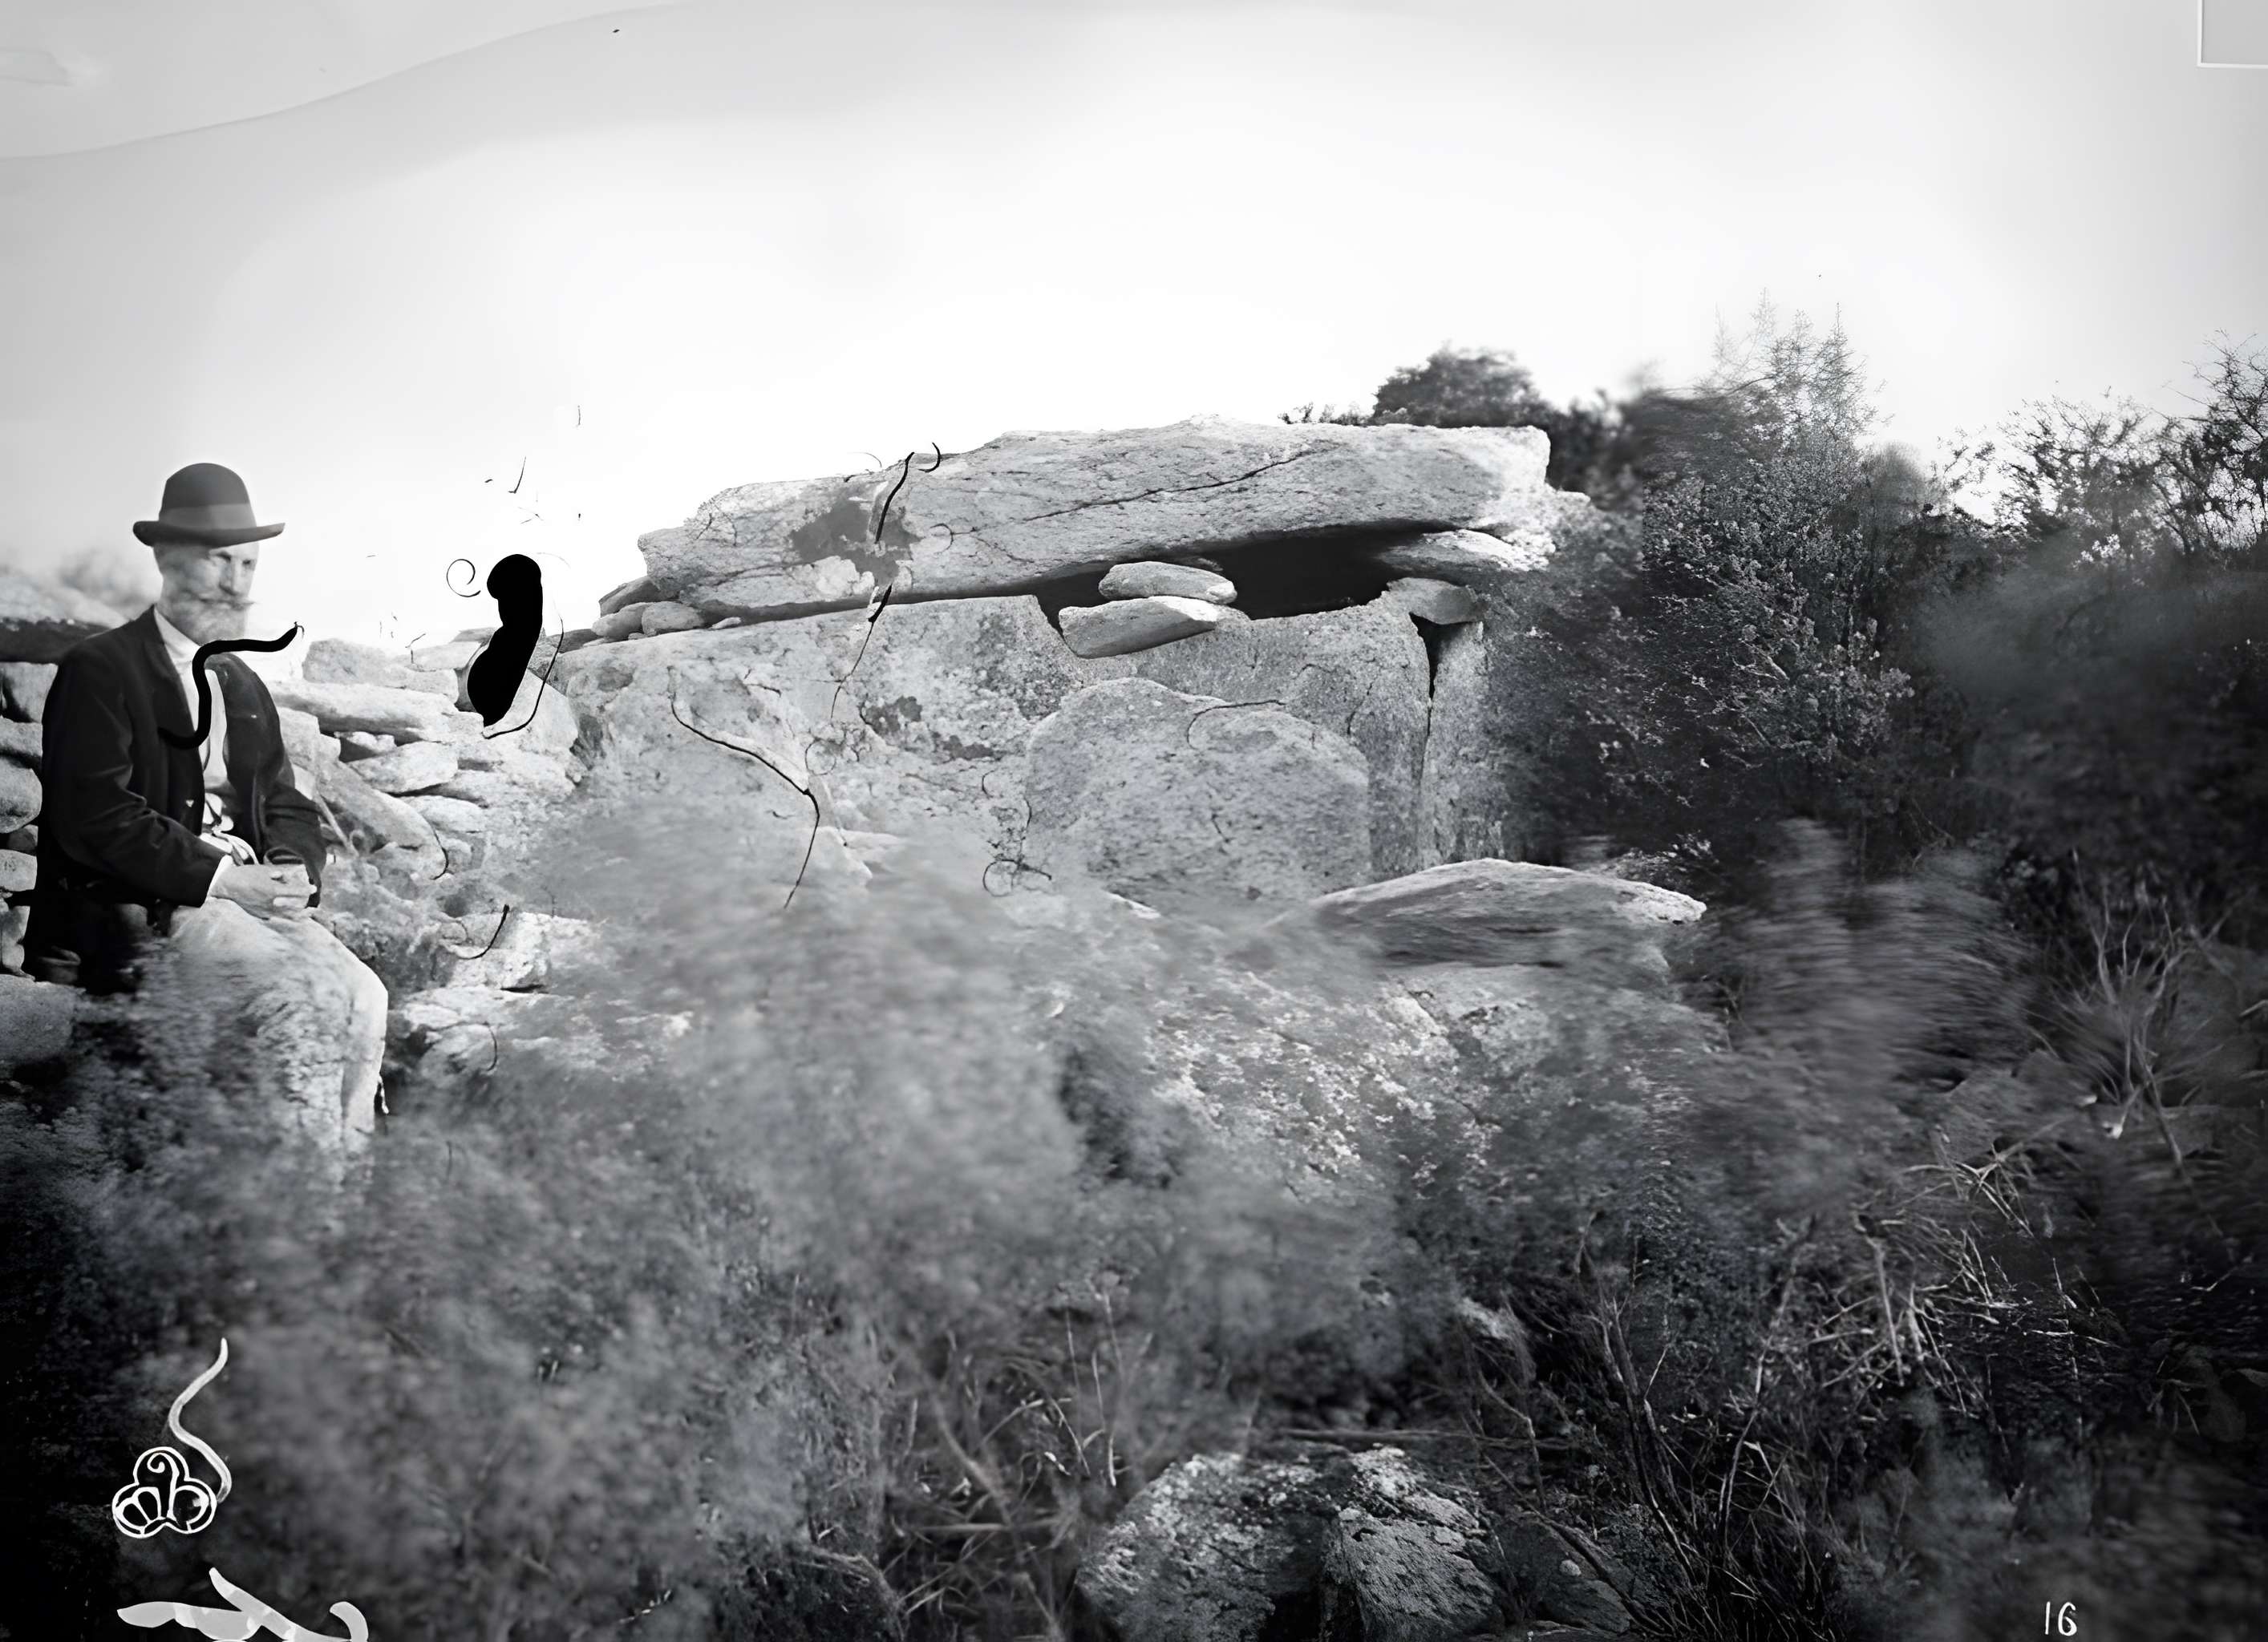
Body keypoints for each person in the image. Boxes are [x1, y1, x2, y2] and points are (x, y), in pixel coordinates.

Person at [24, 462, 387, 1159]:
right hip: (146, 909)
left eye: (248, 563)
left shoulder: (243, 680)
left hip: (245, 901)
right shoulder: (102, 668)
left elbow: (284, 802)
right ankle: (294, 1211)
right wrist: (223, 878)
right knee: (302, 1001)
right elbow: (95, 815)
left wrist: (292, 872)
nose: (236, 581)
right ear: (165, 557)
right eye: (219, 558)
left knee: (366, 998)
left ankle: (345, 1197)